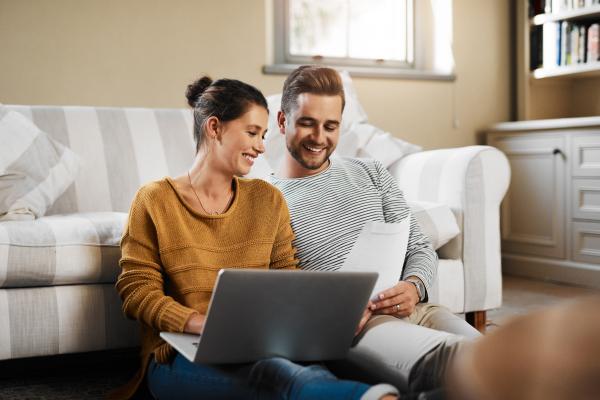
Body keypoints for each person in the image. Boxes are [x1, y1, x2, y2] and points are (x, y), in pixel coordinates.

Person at [110, 76, 399, 400]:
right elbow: (136, 290)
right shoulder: (154, 199)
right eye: (251, 133)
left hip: (260, 344)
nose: (262, 146)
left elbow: (288, 279)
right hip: (177, 355)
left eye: (263, 135)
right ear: (215, 127)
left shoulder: (267, 199)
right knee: (274, 377)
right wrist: (199, 324)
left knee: (308, 370)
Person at [269, 65, 480, 394]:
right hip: (357, 327)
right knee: (464, 362)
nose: (319, 137)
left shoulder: (370, 172)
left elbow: (419, 246)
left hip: (417, 308)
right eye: (307, 123)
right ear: (283, 122)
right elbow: (275, 290)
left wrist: (414, 286)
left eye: (331, 126)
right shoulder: (267, 199)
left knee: (493, 355)